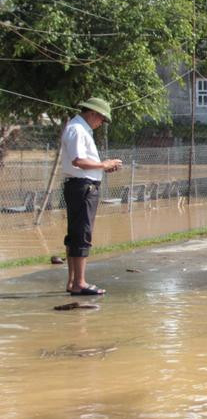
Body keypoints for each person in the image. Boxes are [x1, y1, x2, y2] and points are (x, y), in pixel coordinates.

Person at [61, 97, 122, 296]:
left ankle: (73, 282)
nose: (101, 123)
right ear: (93, 113)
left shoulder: (80, 128)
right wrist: (103, 165)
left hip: (82, 185)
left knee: (76, 234)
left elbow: (83, 162)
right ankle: (79, 282)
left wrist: (103, 169)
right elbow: (78, 160)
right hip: (82, 187)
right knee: (82, 233)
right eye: (102, 119)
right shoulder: (77, 129)